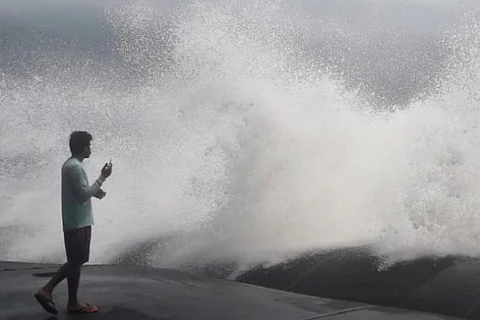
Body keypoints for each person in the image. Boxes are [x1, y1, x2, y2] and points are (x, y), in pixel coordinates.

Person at [34, 131, 113, 315]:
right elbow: (83, 194)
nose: (91, 149)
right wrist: (102, 178)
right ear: (83, 147)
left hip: (75, 220)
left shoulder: (71, 165)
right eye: (89, 146)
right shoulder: (75, 167)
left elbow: (81, 191)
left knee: (76, 262)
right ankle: (46, 289)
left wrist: (95, 191)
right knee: (76, 260)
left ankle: (73, 302)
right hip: (78, 222)